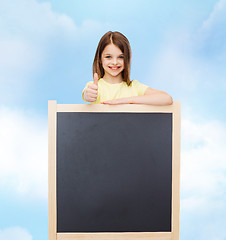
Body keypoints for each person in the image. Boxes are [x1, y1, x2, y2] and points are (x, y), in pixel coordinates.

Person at [82, 31, 173, 105]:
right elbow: (87, 94)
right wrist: (88, 95)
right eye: (108, 57)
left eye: (121, 57)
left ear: (127, 59)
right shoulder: (95, 87)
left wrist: (126, 100)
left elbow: (166, 98)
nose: (114, 62)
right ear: (100, 59)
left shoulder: (134, 87)